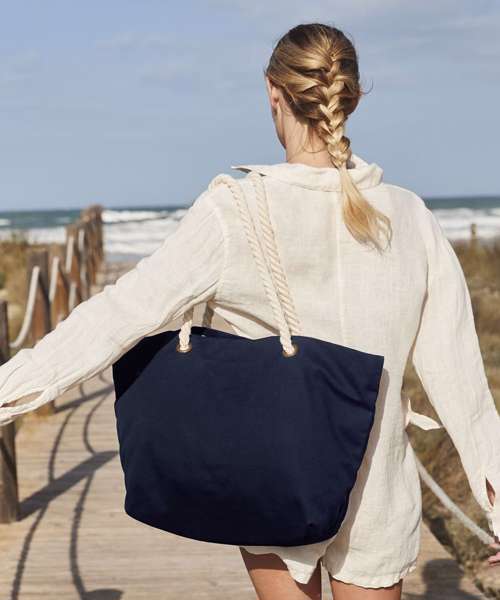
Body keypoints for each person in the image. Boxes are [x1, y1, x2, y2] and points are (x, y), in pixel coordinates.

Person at [0, 21, 499, 600]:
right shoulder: (410, 218)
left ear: (272, 91)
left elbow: (118, 315)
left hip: (275, 476)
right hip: (379, 489)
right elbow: (461, 382)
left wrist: (8, 391)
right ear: (353, 97)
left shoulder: (234, 211)